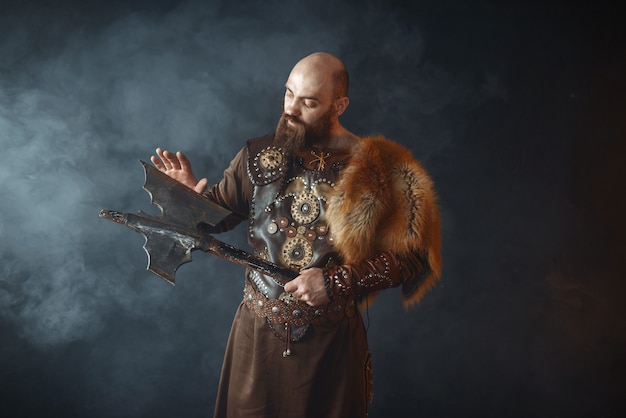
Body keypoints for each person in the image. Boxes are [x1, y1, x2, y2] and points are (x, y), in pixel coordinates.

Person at [151, 52, 441, 418]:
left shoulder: (379, 170)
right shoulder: (259, 155)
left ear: (340, 104)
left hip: (331, 344)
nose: (291, 109)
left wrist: (335, 283)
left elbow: (412, 258)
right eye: (288, 93)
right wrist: (189, 200)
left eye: (308, 101)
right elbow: (217, 217)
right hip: (256, 338)